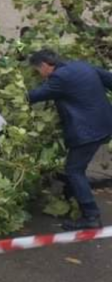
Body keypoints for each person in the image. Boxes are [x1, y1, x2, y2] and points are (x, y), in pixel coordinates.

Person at [27, 49, 112, 231]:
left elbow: (33, 96)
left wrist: (14, 95)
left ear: (44, 66)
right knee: (76, 167)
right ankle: (72, 197)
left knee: (74, 170)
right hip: (104, 125)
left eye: (37, 71)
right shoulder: (82, 65)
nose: (39, 75)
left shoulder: (59, 79)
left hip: (88, 132)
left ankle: (91, 216)